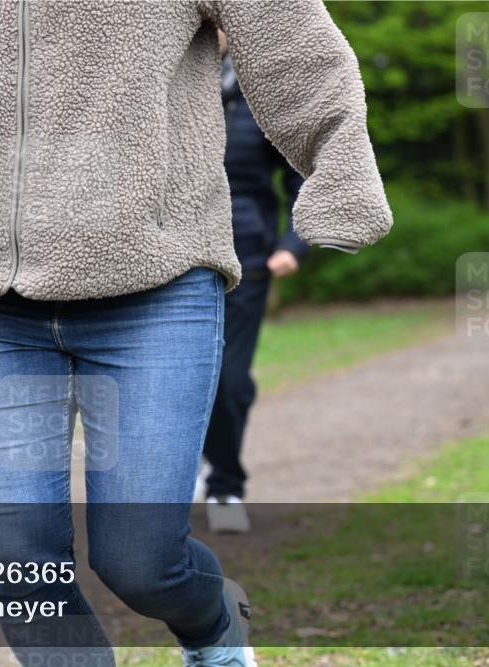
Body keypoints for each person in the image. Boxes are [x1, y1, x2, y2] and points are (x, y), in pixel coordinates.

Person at [0, 2, 392, 665]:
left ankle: (215, 626)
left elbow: (294, 46)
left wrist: (340, 166)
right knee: (21, 558)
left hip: (159, 279)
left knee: (142, 560)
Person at [200, 36, 313, 535]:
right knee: (176, 376)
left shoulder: (263, 94)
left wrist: (292, 244)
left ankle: (225, 483)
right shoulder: (156, 82)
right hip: (172, 253)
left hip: (246, 254)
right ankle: (186, 470)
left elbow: (302, 177)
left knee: (230, 379)